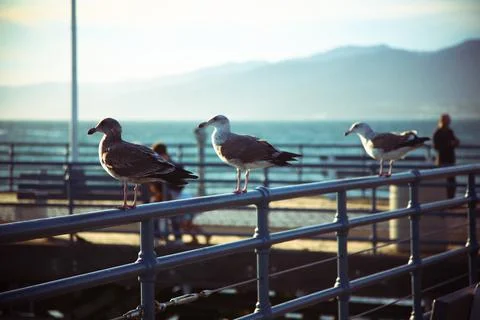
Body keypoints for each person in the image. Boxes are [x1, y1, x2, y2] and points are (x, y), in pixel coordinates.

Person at [149, 142, 185, 244]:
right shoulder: (161, 164)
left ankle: (174, 237)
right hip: (162, 194)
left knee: (170, 210)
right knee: (152, 209)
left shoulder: (171, 164)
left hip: (172, 193)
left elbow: (178, 184)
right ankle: (158, 236)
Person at [433, 114, 460, 198]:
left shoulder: (449, 131)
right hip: (443, 160)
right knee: (445, 182)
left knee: (451, 181)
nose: (448, 122)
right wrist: (449, 144)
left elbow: (455, 141)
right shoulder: (438, 133)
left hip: (450, 160)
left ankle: (451, 200)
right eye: (447, 120)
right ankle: (446, 200)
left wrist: (454, 143)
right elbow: (437, 146)